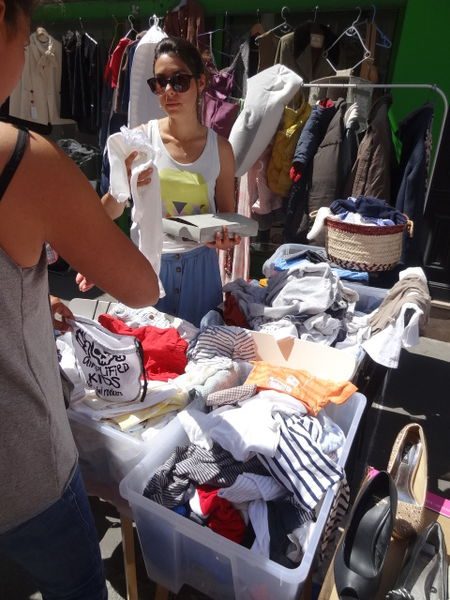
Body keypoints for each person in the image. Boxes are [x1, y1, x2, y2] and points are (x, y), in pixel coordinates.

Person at [0, 1, 159, 598]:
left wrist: (24, 301)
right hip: (20, 471)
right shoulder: (22, 160)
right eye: (24, 40)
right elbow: (140, 286)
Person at [78, 36, 240, 327]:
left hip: (201, 269)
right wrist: (124, 183)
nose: (168, 91)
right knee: (146, 349)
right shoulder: (140, 140)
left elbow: (227, 217)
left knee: (202, 350)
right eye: (160, 82)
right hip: (149, 265)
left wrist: (225, 239)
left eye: (179, 81)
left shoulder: (220, 149)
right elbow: (110, 211)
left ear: (201, 82)